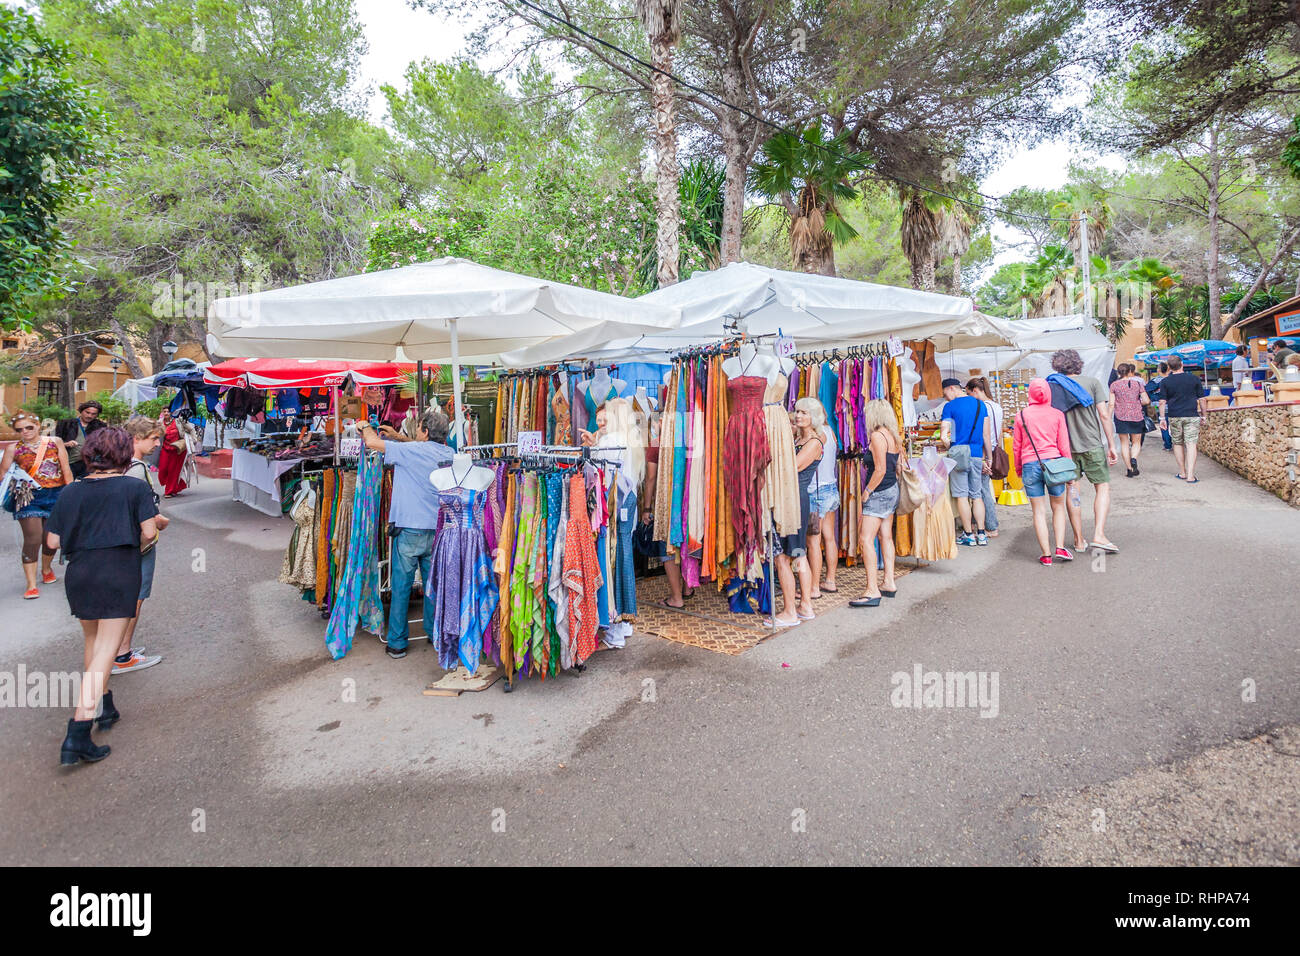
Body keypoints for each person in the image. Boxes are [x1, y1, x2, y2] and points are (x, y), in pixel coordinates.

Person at [45, 427, 159, 765]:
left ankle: (104, 704)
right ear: (123, 455)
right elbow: (149, 533)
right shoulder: (134, 487)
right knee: (108, 649)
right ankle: (78, 731)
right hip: (118, 571)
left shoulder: (71, 492)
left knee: (93, 643)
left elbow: (51, 543)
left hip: (80, 574)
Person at [359, 407, 453, 659]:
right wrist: (399, 438)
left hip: (409, 530)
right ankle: (434, 634)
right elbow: (422, 448)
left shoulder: (410, 452)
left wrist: (363, 425)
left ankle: (398, 642)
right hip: (437, 530)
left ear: (423, 430)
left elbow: (370, 442)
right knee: (433, 587)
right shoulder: (449, 453)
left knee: (400, 587)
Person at [113, 416, 169, 674]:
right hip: (138, 545)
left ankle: (117, 650)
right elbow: (137, 511)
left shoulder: (118, 464)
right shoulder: (136, 469)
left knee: (128, 597)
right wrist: (158, 521)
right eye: (153, 438)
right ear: (136, 439)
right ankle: (122, 654)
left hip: (121, 544)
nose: (157, 443)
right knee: (135, 598)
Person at [1050, 348, 1119, 554]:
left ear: (1057, 365)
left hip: (1066, 448)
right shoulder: (1092, 383)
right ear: (1078, 364)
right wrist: (1111, 445)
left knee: (1073, 489)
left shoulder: (1053, 386)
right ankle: (1099, 534)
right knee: (1102, 487)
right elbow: (1104, 416)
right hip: (1092, 444)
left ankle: (1079, 540)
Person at [2, 411, 73, 598]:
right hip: (27, 497)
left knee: (50, 539)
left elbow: (66, 469)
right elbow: (3, 476)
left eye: (29, 427)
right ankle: (31, 584)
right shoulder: (13, 449)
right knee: (33, 538)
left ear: (38, 425)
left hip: (56, 494)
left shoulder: (54, 442)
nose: (25, 432)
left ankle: (47, 569)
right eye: (20, 429)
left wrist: (72, 494)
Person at [769, 405, 823, 627]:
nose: (799, 415)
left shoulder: (814, 443)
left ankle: (790, 611)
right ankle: (805, 606)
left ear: (814, 417)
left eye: (804, 412)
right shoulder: (799, 439)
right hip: (791, 498)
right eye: (797, 411)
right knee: (798, 552)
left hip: (794, 501)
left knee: (784, 555)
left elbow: (794, 466)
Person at [1012, 379, 1073, 565]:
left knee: (1038, 510)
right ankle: (1060, 547)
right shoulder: (1057, 414)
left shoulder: (1021, 415)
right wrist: (1069, 468)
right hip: (1055, 465)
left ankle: (1046, 555)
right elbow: (1064, 444)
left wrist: (1018, 468)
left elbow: (1017, 446)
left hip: (1030, 464)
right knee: (1058, 507)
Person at [850, 400, 902, 607]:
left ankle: (872, 590)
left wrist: (867, 492)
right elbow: (896, 466)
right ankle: (889, 581)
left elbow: (879, 470)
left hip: (879, 492)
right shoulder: (893, 436)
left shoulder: (877, 436)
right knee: (886, 536)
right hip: (891, 490)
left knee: (866, 539)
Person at [939, 377, 994, 546]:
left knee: (962, 496)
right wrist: (988, 457)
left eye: (944, 393)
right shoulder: (980, 404)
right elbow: (986, 435)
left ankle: (969, 535)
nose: (945, 397)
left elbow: (943, 434)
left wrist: (950, 446)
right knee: (976, 495)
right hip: (977, 454)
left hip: (959, 455)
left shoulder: (949, 407)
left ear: (951, 389)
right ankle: (982, 534)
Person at [799, 396, 840, 598]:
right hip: (831, 487)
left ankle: (814, 587)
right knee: (829, 538)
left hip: (816, 491)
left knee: (812, 541)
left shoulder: (817, 436)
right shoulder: (830, 432)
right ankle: (830, 580)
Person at [1156, 354, 1208, 483]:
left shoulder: (1166, 381)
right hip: (1191, 415)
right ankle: (1191, 475)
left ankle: (1182, 472)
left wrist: (1162, 418)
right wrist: (1204, 415)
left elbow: (1162, 401)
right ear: (1182, 364)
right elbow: (1202, 399)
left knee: (1177, 443)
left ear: (1169, 367)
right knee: (1191, 444)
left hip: (1174, 416)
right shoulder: (1194, 379)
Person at [966, 376, 1002, 538]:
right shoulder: (996, 406)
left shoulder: (981, 407)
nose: (968, 398)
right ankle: (980, 522)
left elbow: (984, 434)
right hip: (993, 449)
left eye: (968, 394)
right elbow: (999, 432)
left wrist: (985, 457)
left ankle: (991, 526)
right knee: (983, 488)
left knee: (982, 489)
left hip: (983, 451)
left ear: (975, 391)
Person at [1109, 363, 1152, 478]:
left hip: (1120, 416)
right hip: (1136, 416)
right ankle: (1133, 459)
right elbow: (1147, 400)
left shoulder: (1114, 385)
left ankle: (1129, 469)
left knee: (1124, 443)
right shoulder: (1138, 383)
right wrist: (1136, 403)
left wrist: (1107, 417)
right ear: (1129, 372)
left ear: (1118, 373)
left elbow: (1112, 404)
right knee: (1136, 442)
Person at [55, 400, 106, 480]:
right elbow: (53, 443)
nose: (89, 416)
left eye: (93, 414)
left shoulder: (101, 426)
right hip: (69, 462)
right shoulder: (66, 424)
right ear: (81, 411)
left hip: (89, 463)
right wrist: (66, 444)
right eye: (87, 412)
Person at [156, 409, 189, 497]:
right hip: (165, 448)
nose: (166, 413)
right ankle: (178, 485)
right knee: (162, 470)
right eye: (164, 411)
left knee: (173, 471)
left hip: (177, 450)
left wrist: (193, 440)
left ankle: (169, 491)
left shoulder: (178, 420)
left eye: (168, 411)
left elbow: (190, 429)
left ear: (172, 412)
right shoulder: (159, 423)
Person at [1146, 361, 1174, 450]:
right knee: (1175, 426)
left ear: (1159, 370)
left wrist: (1153, 398)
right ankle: (1177, 443)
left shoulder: (1155, 381)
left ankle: (1168, 444)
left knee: (1163, 426)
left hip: (1160, 406)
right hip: (1174, 405)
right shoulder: (1172, 379)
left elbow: (1147, 390)